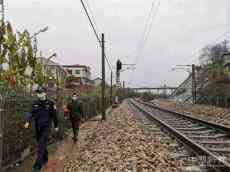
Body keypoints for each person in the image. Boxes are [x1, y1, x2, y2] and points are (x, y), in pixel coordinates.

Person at [24, 86, 59, 172]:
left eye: (41, 92)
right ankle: (45, 157)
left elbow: (54, 115)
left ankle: (37, 166)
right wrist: (27, 121)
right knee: (42, 144)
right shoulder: (35, 103)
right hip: (38, 128)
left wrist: (56, 126)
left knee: (40, 146)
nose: (39, 94)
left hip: (46, 128)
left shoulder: (51, 103)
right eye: (38, 93)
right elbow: (30, 112)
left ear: (45, 93)